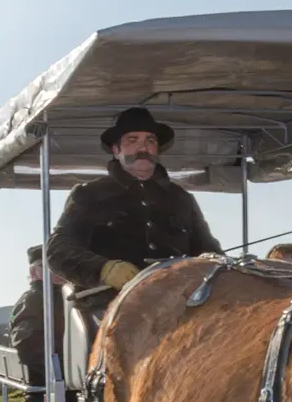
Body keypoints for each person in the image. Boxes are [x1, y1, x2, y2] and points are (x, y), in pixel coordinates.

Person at [44, 106, 222, 310]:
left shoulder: (181, 199)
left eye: (150, 141)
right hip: (110, 306)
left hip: (178, 304)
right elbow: (58, 249)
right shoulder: (90, 195)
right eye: (132, 140)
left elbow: (209, 252)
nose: (143, 148)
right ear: (116, 149)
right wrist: (104, 269)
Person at [8, 245, 76, 402]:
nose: (58, 271)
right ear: (34, 272)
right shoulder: (34, 301)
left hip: (70, 396)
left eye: (61, 266)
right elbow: (28, 347)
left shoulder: (68, 297)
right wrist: (72, 373)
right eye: (49, 266)